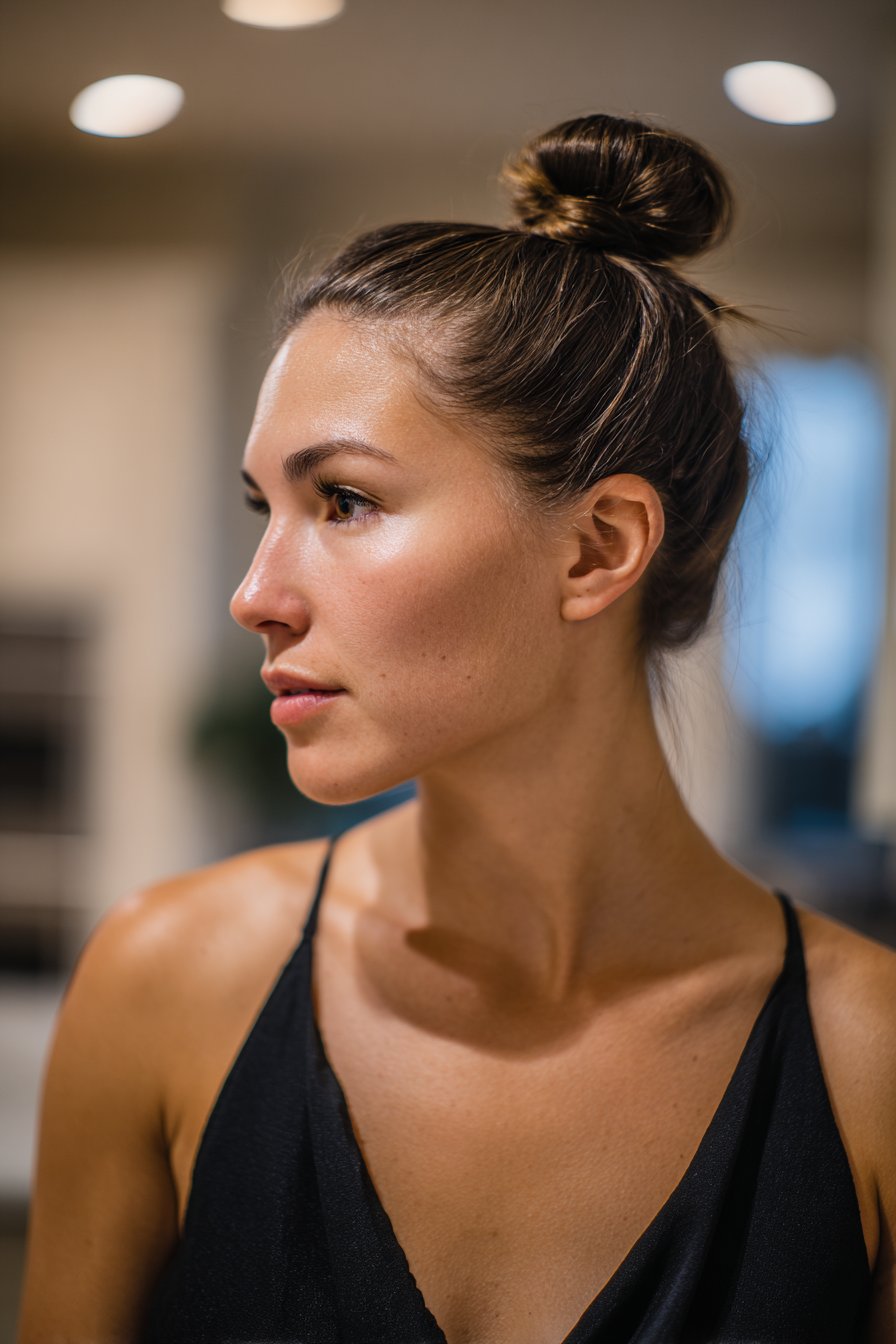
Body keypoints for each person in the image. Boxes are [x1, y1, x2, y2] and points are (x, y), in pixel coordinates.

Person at [16, 113, 896, 1344]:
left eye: (343, 500)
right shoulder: (168, 980)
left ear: (595, 549)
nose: (255, 594)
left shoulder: (869, 1067)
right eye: (265, 508)